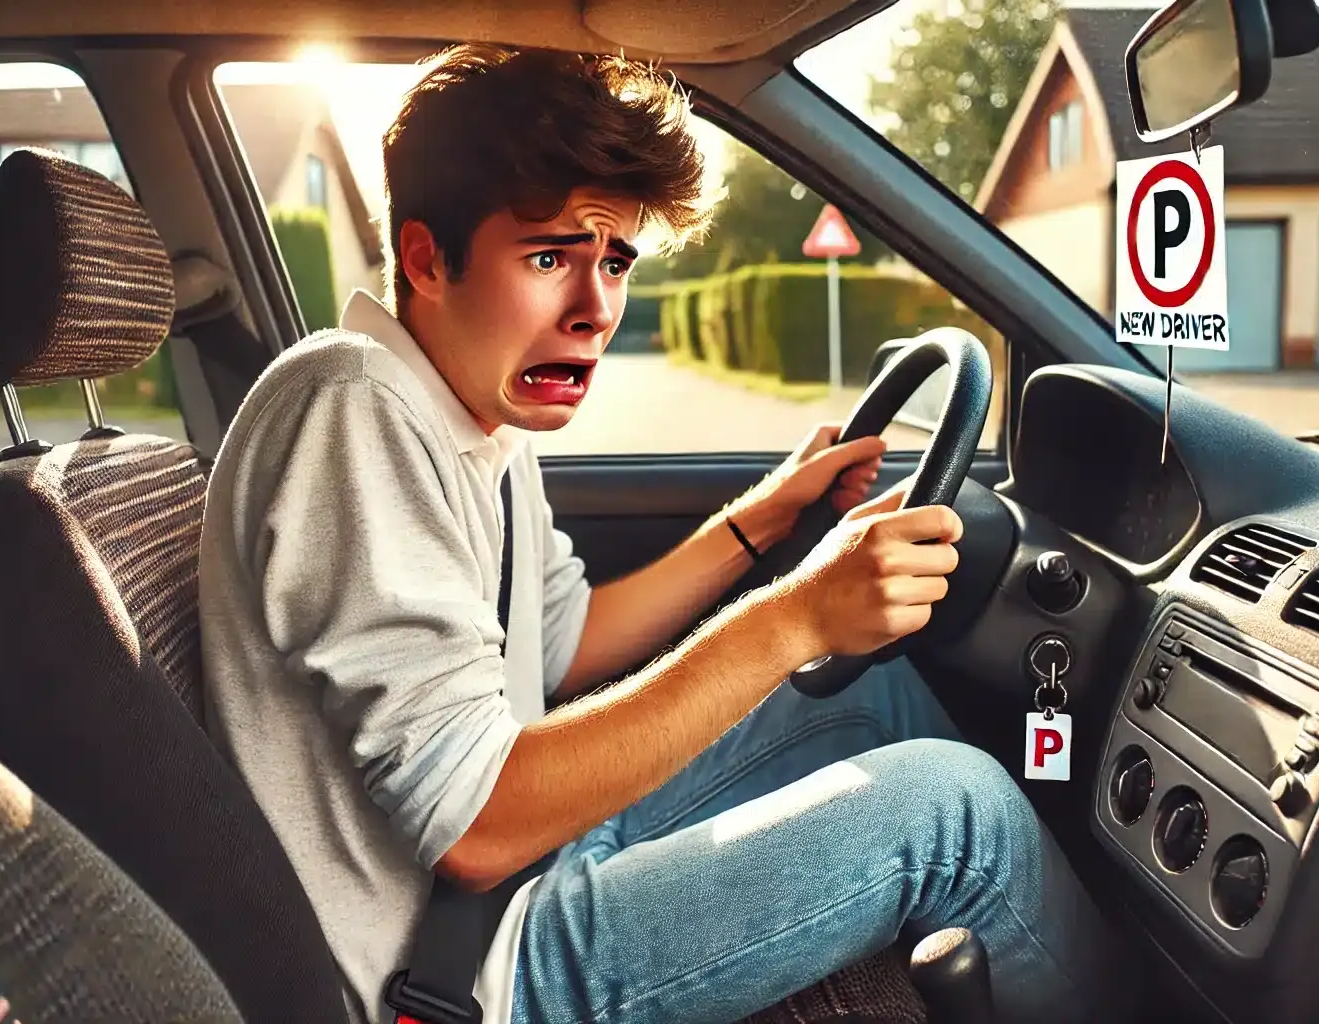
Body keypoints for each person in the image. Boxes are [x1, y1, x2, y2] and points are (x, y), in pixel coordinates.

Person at [200, 43, 1114, 1024]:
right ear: (426, 258)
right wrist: (798, 617)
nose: (595, 310)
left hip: (506, 881)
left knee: (873, 695)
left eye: (616, 262)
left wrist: (760, 524)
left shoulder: (470, 417)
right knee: (955, 812)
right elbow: (475, 822)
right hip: (463, 969)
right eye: (549, 255)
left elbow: (562, 641)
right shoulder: (352, 408)